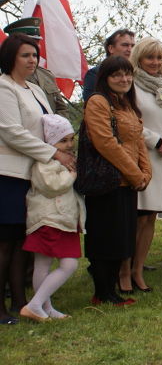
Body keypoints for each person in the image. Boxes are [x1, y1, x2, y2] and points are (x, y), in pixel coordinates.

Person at [0, 34, 74, 325]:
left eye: (35, 55)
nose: (32, 60)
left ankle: (22, 302)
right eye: (25, 55)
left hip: (34, 175)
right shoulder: (3, 87)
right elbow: (11, 132)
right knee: (5, 243)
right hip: (9, 175)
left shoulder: (35, 89)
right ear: (10, 57)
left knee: (23, 242)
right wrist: (55, 154)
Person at [83, 56, 151, 305]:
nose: (124, 79)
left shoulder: (127, 105)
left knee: (121, 239)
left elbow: (139, 140)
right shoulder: (98, 102)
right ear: (105, 78)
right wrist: (135, 174)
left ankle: (111, 292)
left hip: (128, 183)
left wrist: (146, 174)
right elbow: (106, 143)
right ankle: (102, 293)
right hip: (107, 184)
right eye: (117, 75)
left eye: (127, 74)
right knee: (105, 239)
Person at [119, 37, 162, 294]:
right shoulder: (130, 86)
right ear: (138, 59)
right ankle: (123, 271)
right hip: (140, 156)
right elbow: (128, 121)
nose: (155, 62)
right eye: (150, 57)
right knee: (136, 218)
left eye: (160, 57)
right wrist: (157, 141)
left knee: (151, 217)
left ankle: (138, 270)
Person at [20, 115, 84, 322]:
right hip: (50, 219)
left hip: (59, 219)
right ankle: (36, 305)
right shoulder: (45, 161)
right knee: (68, 265)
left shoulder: (62, 161)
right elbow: (52, 186)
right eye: (62, 141)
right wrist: (71, 175)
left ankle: (44, 308)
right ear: (50, 142)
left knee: (43, 264)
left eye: (71, 139)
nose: (69, 145)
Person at [3, 18, 70, 120]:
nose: (36, 46)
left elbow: (61, 107)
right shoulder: (4, 81)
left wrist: (59, 127)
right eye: (31, 42)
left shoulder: (46, 74)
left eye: (37, 42)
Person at [83, 29, 136, 97]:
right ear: (111, 48)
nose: (130, 49)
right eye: (125, 45)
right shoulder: (96, 74)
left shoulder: (138, 74)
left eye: (133, 46)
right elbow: (92, 101)